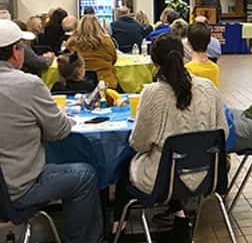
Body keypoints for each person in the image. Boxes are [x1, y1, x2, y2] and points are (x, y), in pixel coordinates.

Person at [0, 20, 102, 243]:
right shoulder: (28, 85)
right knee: (85, 174)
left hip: (7, 182)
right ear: (16, 53)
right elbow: (60, 131)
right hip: (18, 187)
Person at [119, 33, 228, 241]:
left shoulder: (153, 93)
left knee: (125, 166)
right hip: (207, 176)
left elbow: (139, 144)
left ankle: (119, 226)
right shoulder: (208, 88)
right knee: (172, 159)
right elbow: (223, 133)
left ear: (153, 62)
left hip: (163, 180)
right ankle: (179, 216)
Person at [65, 15, 119, 89]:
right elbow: (114, 59)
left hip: (78, 82)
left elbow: (67, 63)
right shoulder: (107, 41)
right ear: (98, 26)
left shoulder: (72, 42)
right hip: (105, 83)